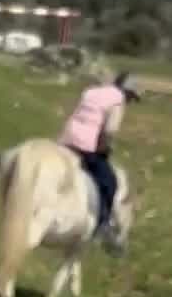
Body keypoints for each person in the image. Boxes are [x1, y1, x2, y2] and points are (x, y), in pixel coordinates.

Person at [58, 71, 141, 234]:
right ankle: (102, 223)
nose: (130, 101)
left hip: (67, 138)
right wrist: (105, 147)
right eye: (131, 97)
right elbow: (109, 131)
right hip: (86, 145)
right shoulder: (118, 101)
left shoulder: (92, 91)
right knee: (109, 181)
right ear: (127, 92)